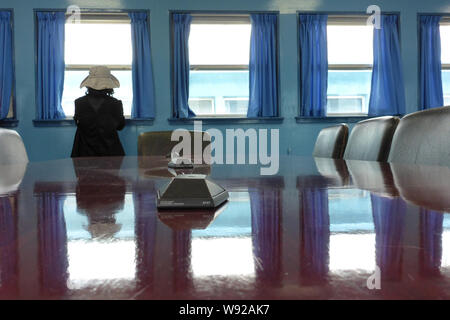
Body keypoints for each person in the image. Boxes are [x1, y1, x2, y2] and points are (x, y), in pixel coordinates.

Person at [71, 65, 125, 157]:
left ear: (89, 84)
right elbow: (120, 126)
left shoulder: (79, 103)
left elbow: (79, 124)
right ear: (108, 85)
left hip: (83, 154)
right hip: (111, 154)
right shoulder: (115, 103)